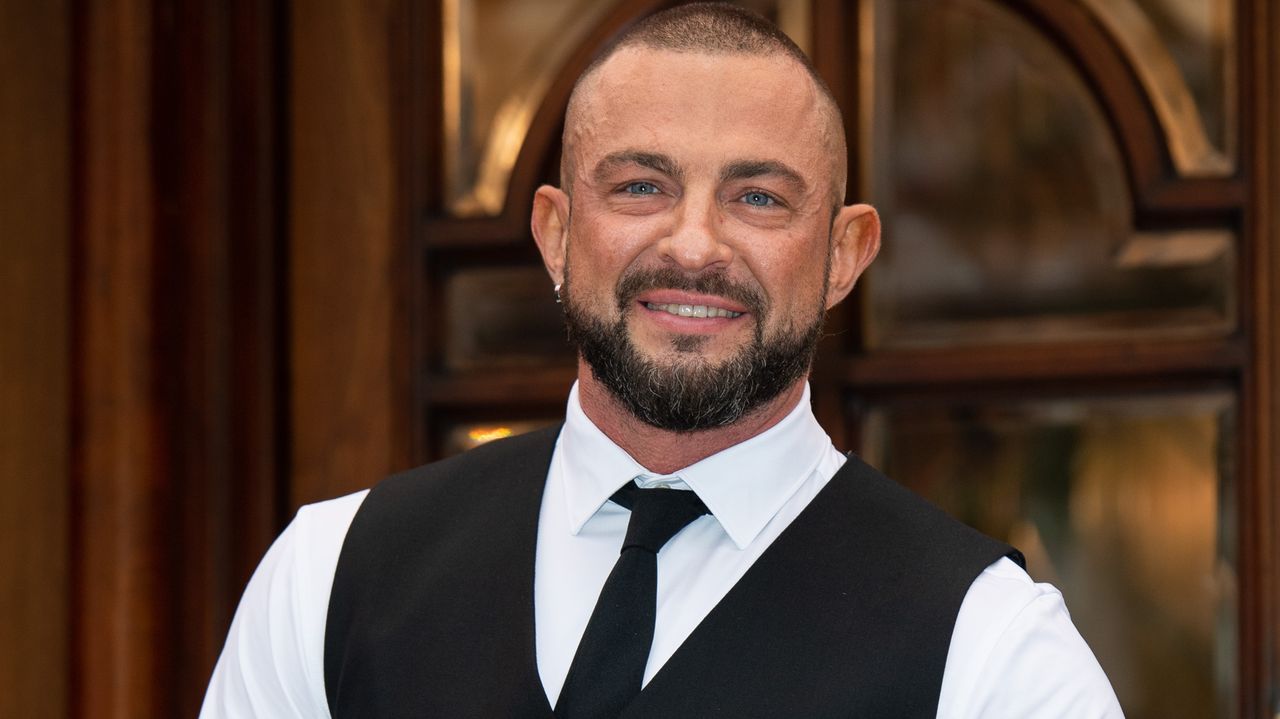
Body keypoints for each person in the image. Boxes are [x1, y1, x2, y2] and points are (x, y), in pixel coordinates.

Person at [201, 3, 1123, 717]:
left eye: (758, 197)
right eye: (641, 186)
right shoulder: (330, 579)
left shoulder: (988, 646)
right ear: (556, 232)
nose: (693, 246)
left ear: (844, 254)